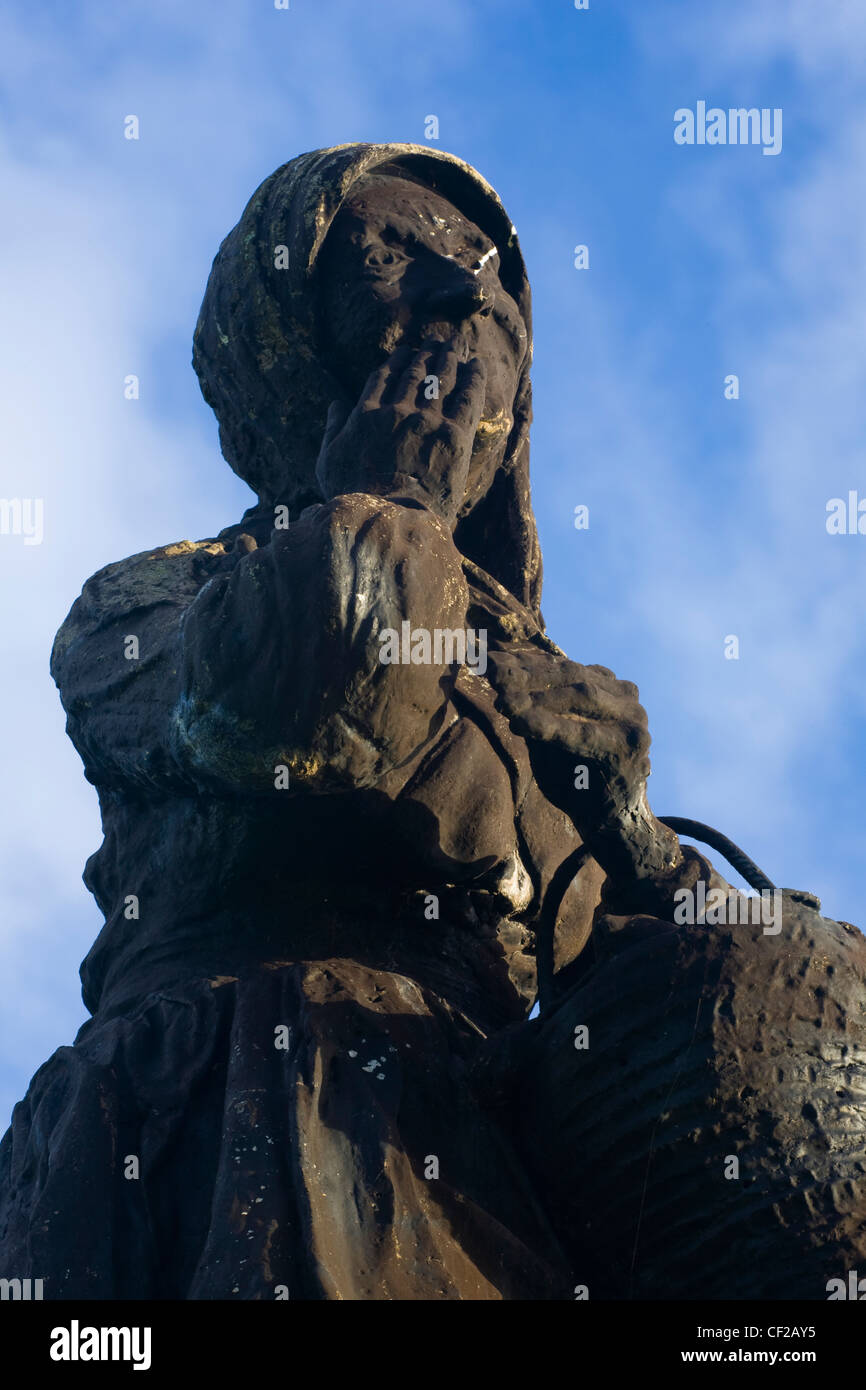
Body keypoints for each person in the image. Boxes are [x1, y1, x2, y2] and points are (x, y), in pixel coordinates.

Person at [0, 143, 719, 1299]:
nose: (463, 294)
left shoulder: (527, 685)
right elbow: (292, 708)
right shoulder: (152, 602)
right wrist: (387, 503)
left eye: (488, 282)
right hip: (201, 1143)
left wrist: (630, 831)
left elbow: (688, 1018)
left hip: (478, 1180)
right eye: (391, 253)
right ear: (281, 333)